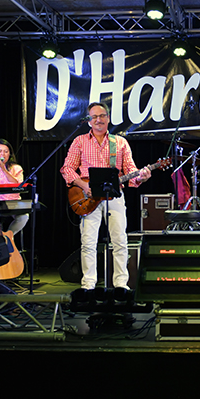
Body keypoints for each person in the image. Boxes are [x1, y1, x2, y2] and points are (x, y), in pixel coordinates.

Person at [60, 102, 151, 293]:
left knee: (119, 241)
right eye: (94, 117)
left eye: (102, 116)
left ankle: (121, 284)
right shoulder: (79, 141)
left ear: (108, 118)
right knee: (88, 243)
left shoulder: (120, 142)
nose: (98, 120)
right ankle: (88, 284)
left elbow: (131, 170)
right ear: (89, 121)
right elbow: (67, 168)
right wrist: (84, 185)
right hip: (88, 197)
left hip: (114, 197)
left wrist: (141, 176)